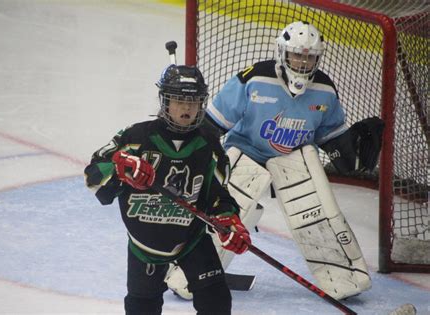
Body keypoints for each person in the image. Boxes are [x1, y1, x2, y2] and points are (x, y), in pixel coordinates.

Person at [166, 21, 384, 300]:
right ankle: (190, 275)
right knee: (223, 215)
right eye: (297, 54)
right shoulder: (253, 79)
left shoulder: (325, 90)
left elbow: (331, 137)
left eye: (309, 56)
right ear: (283, 53)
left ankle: (343, 279)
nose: (302, 62)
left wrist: (351, 154)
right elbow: (212, 125)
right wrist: (202, 161)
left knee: (318, 216)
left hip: (296, 161)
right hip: (246, 154)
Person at [83, 63, 251, 315]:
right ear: (165, 101)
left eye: (193, 101)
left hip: (191, 239)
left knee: (216, 303)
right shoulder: (135, 138)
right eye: (179, 100)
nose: (186, 108)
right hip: (144, 245)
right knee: (142, 307)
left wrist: (229, 219)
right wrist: (121, 169)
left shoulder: (209, 144)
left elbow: (218, 196)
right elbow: (93, 174)